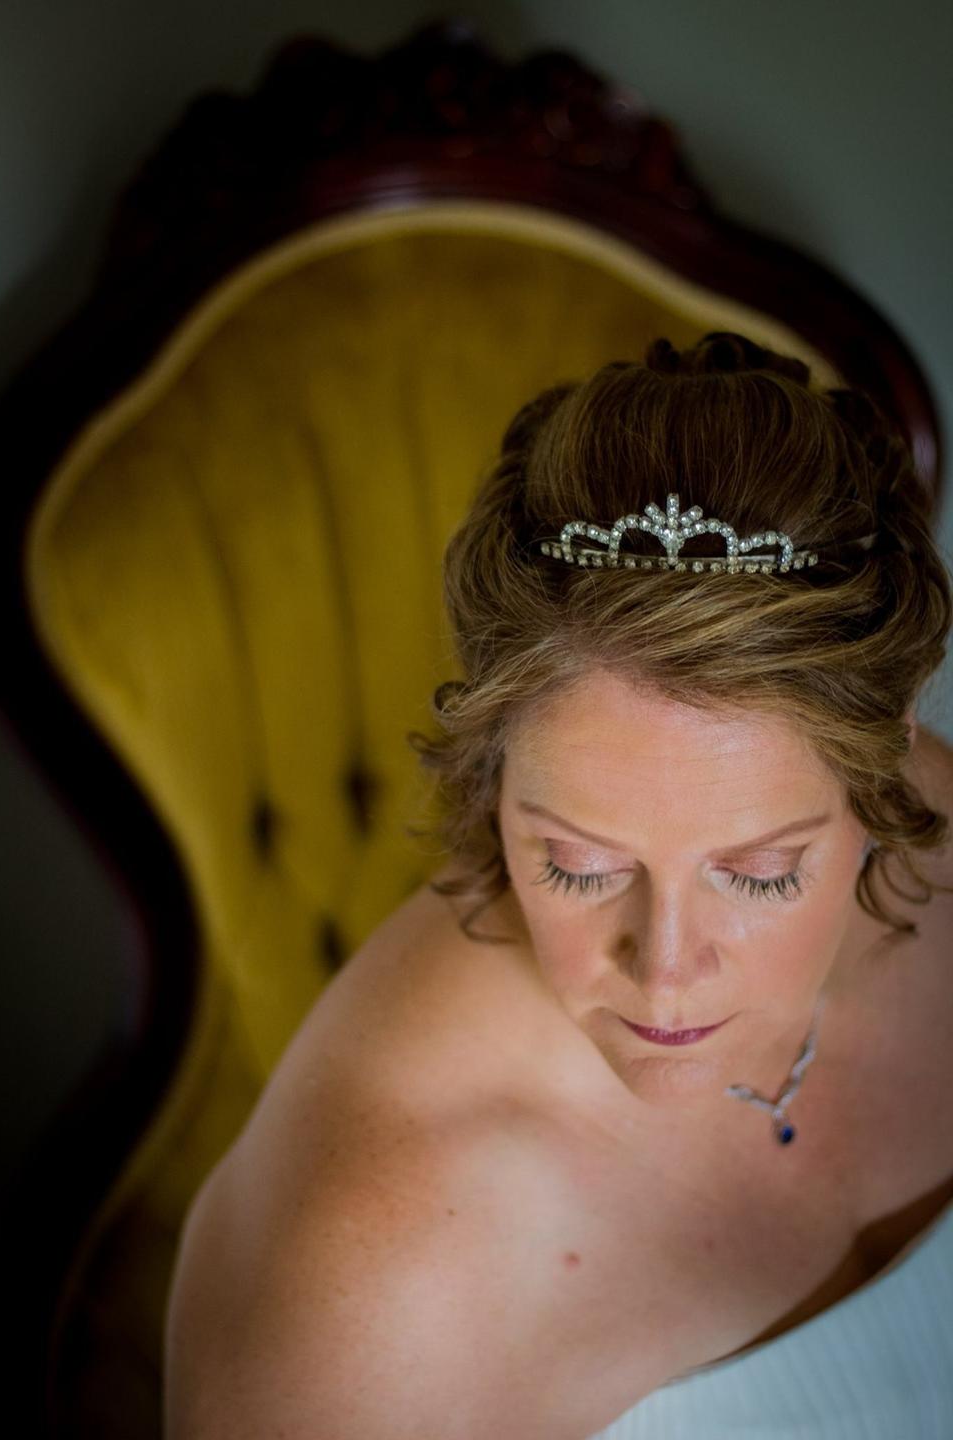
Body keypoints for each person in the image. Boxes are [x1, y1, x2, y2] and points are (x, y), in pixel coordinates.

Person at [164, 332, 953, 1439]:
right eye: (578, 864)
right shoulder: (355, 1296)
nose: (663, 972)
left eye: (762, 873)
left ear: (892, 760)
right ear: (493, 777)